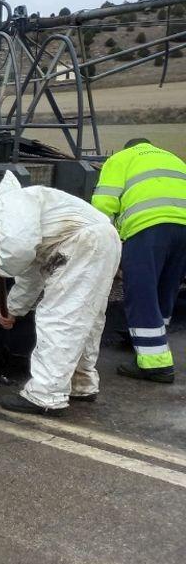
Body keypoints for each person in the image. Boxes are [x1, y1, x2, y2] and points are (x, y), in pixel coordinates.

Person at [0, 172, 121, 415]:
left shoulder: (7, 205)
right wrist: (14, 310)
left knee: (59, 319)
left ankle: (45, 395)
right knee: (87, 318)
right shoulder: (28, 206)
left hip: (80, 243)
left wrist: (2, 265)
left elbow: (19, 251)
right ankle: (82, 384)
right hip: (103, 239)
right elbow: (31, 274)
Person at [91, 138, 186, 384]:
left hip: (148, 229)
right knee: (166, 288)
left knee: (141, 292)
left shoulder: (120, 159)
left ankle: (156, 365)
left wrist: (103, 247)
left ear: (127, 148)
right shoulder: (172, 158)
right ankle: (152, 345)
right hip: (183, 228)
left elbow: (103, 205)